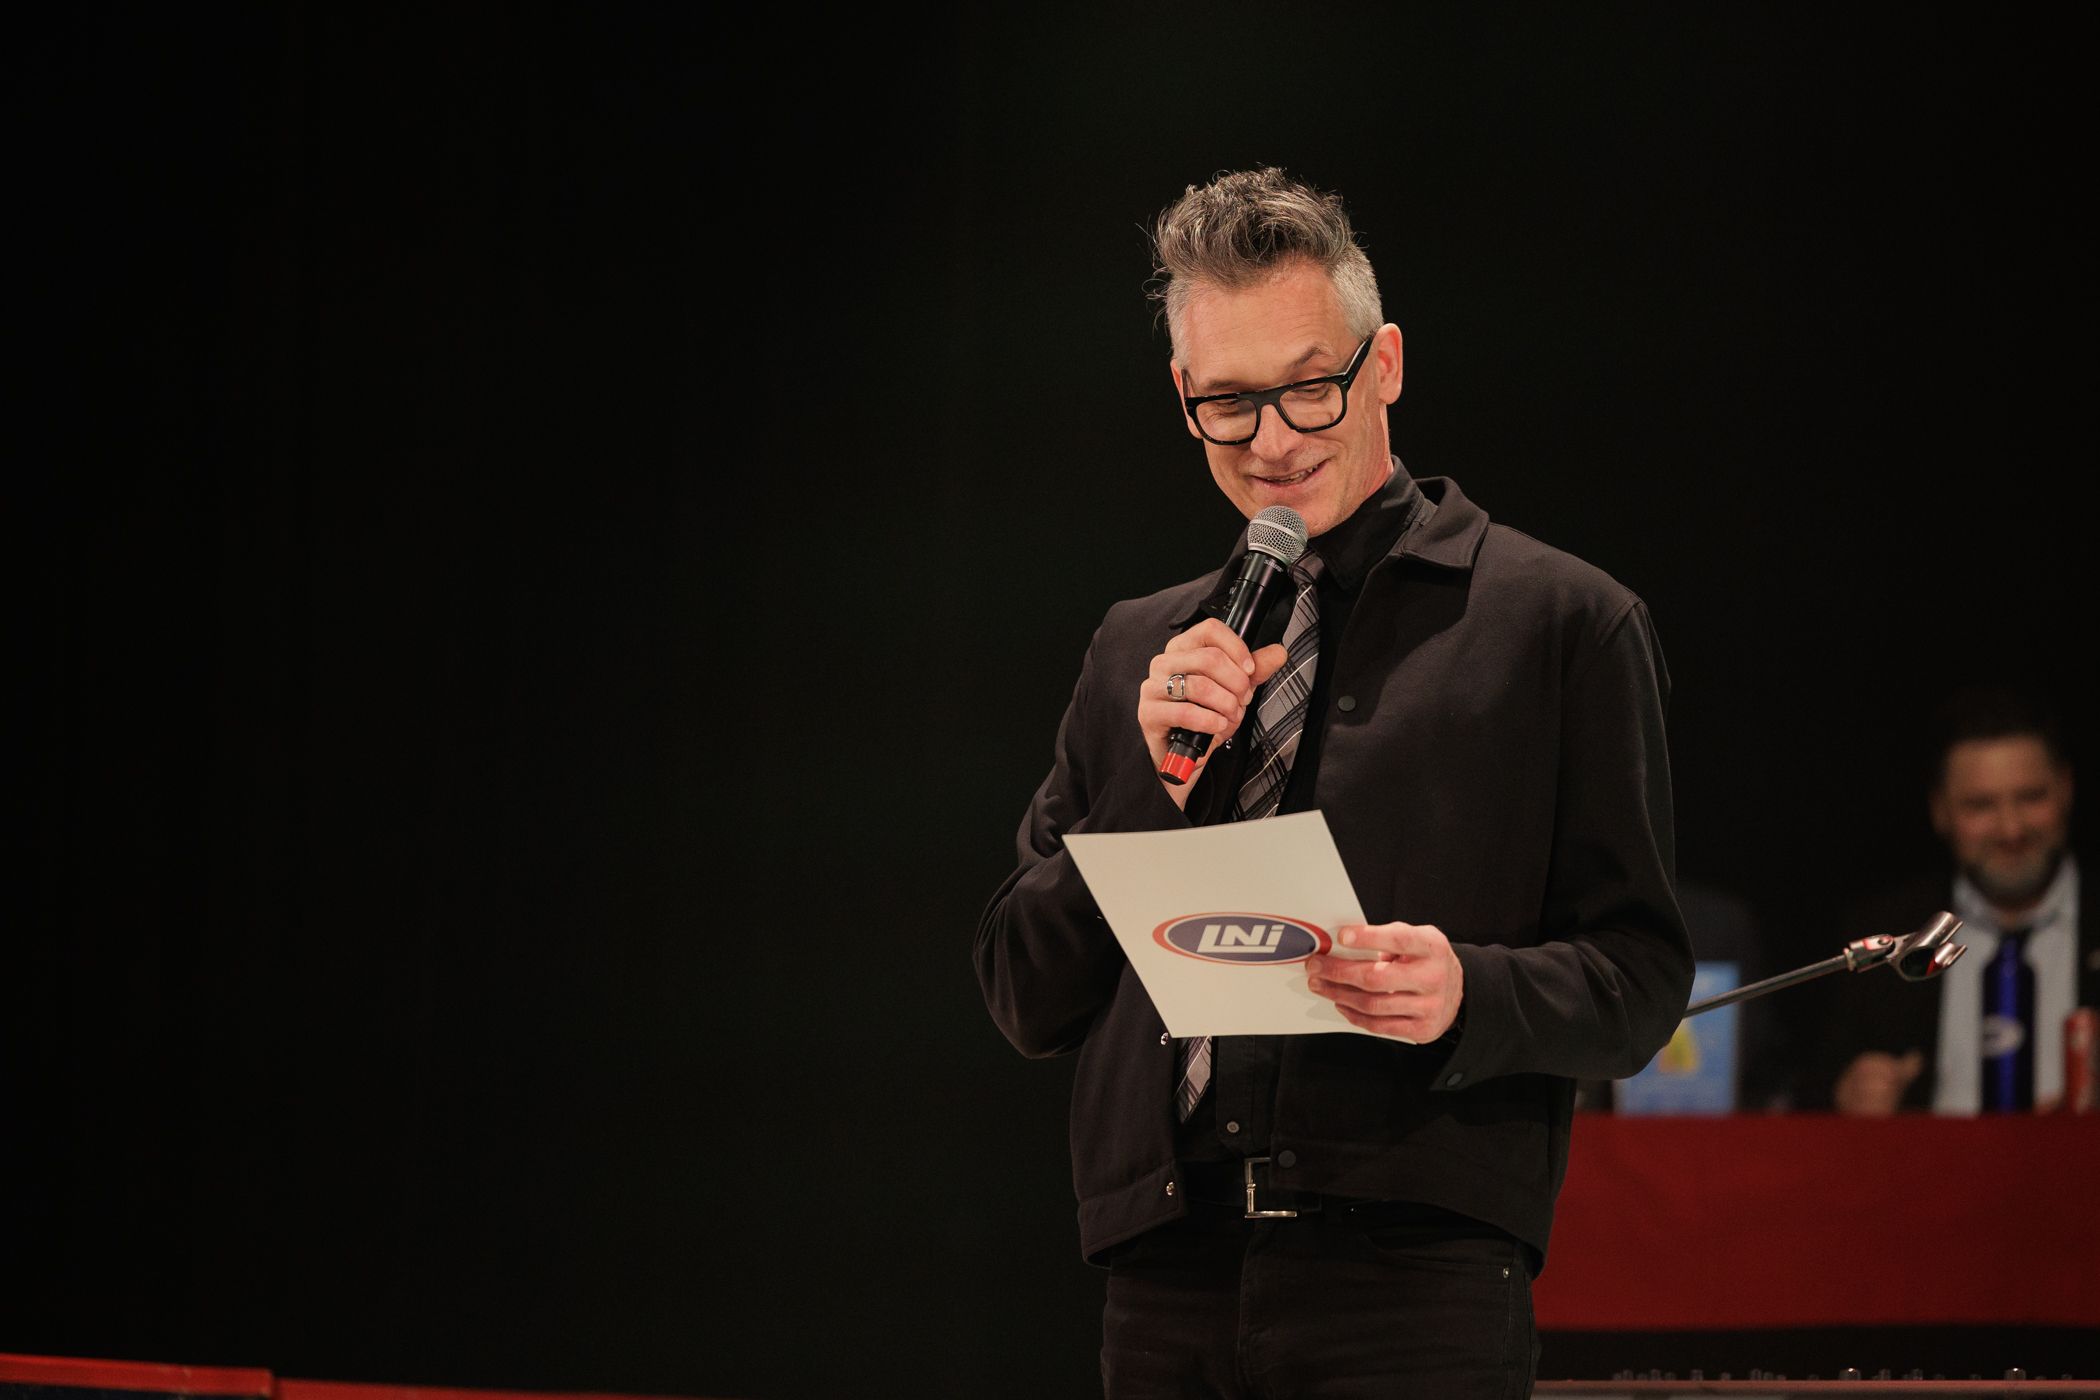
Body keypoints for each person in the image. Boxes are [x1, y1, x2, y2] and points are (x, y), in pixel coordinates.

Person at [973, 168, 1693, 1399]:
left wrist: (1467, 988)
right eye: (1229, 402)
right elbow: (1023, 992)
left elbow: (1639, 980)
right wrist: (1148, 784)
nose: (1273, 441)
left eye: (1311, 386)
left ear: (1386, 364)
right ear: (1184, 398)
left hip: (1416, 1273)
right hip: (1165, 1269)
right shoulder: (1138, 647)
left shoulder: (1558, 622)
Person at [1820, 687, 2093, 1115]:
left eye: (2031, 797)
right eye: (1981, 806)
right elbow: (1803, 1086)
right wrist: (1849, 1095)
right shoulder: (1885, 934)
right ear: (1940, 810)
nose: (2011, 830)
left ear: (2066, 789)